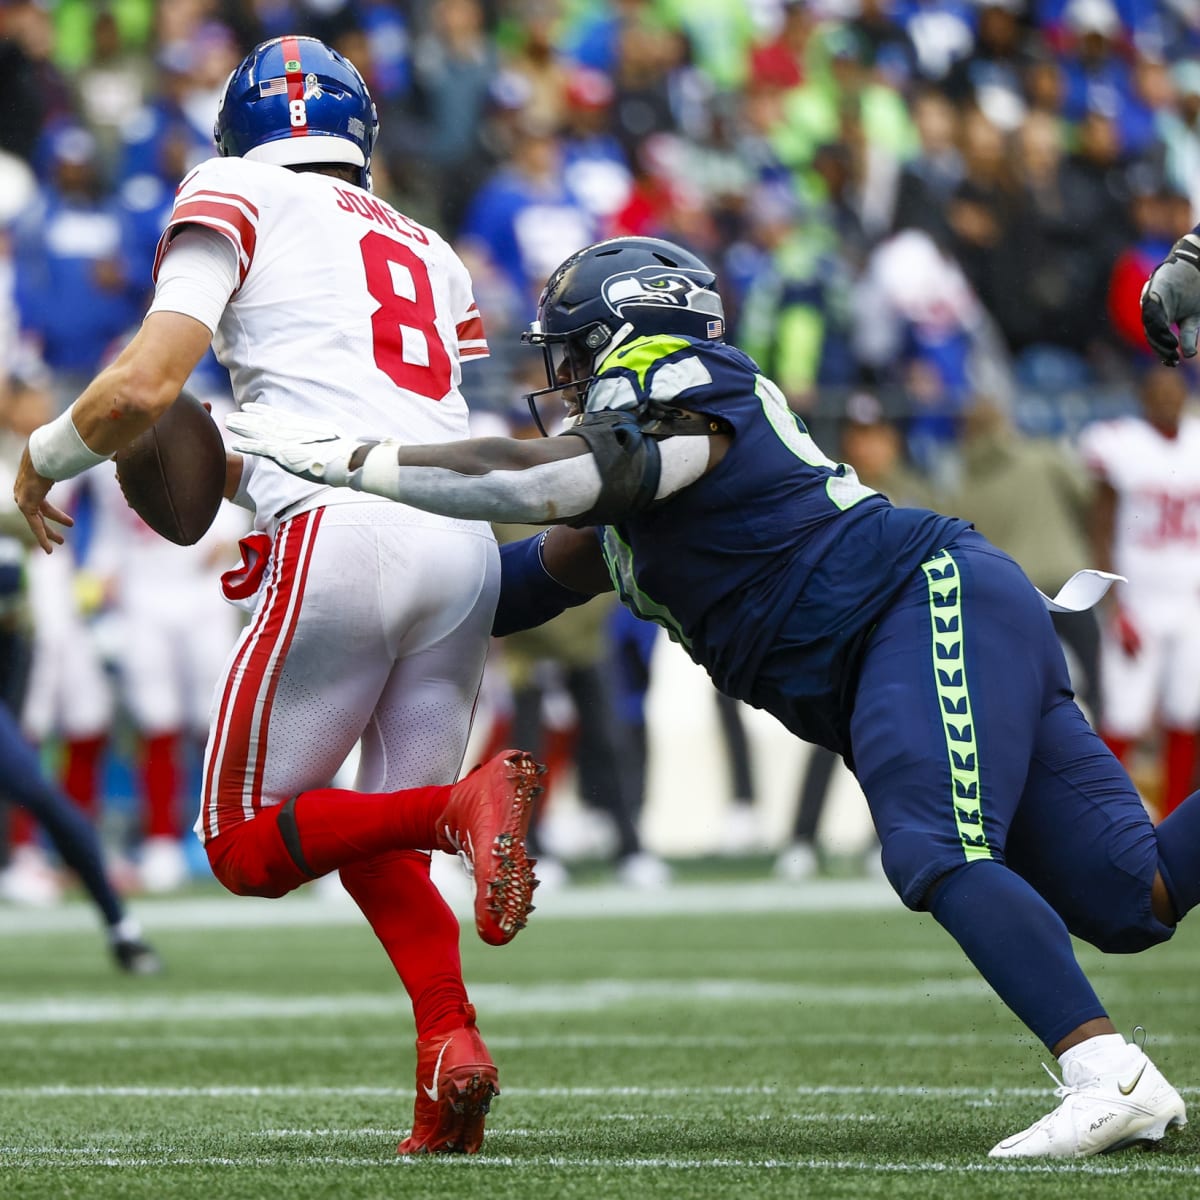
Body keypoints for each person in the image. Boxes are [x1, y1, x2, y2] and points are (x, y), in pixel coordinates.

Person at [230, 234, 1198, 1160]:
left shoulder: (685, 386)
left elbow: (550, 484)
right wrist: (306, 524)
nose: (561, 381)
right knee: (1131, 895)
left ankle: (1104, 1073)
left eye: (571, 355)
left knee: (936, 848)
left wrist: (352, 458)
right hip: (933, 626)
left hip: (920, 602)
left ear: (625, 336)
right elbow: (489, 587)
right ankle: (1106, 1070)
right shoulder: (630, 504)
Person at [12, 35, 542, 1158]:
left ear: (237, 130)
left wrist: (46, 456)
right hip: (461, 544)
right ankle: (447, 1058)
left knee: (245, 843)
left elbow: (150, 382)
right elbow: (378, 407)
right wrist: (243, 475)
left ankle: (461, 806)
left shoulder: (231, 188)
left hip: (344, 537)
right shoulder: (430, 249)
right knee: (366, 835)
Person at [1077, 367, 1200, 819]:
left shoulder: (1196, 440)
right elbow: (1101, 526)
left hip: (1190, 600)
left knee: (1186, 712)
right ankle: (1101, 818)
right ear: (1142, 398)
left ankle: (1173, 820)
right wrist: (1115, 603)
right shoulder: (1122, 444)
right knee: (1123, 717)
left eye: (1174, 393)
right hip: (1139, 599)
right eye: (1157, 393)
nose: (1167, 402)